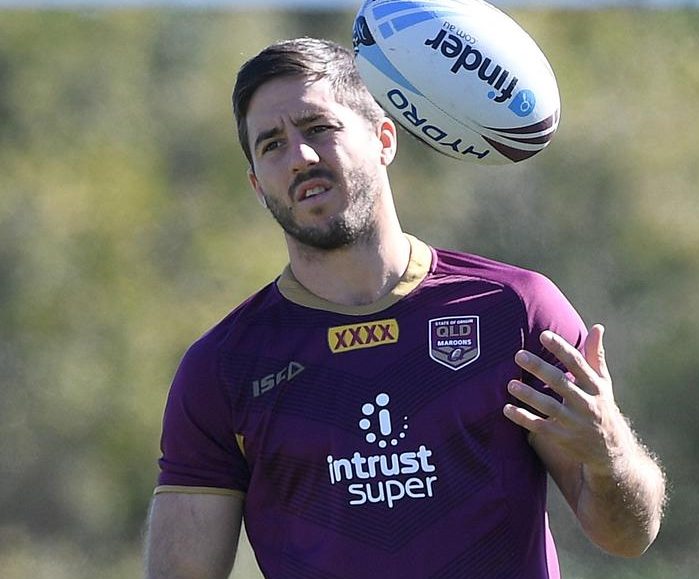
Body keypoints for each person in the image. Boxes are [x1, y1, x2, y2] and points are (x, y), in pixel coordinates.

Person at [143, 37, 666, 579]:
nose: (299, 157)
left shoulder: (514, 312)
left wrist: (610, 454)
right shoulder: (223, 369)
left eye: (317, 127)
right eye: (272, 145)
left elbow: (629, 536)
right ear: (257, 184)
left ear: (384, 138)